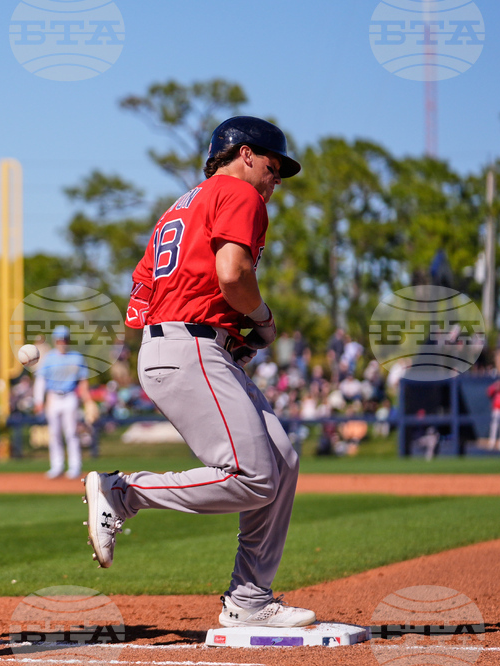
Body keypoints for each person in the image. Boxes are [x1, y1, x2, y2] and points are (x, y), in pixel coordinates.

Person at [85, 116, 315, 629]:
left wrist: (223, 334)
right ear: (246, 154)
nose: (275, 181)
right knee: (254, 476)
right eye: (274, 168)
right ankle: (125, 492)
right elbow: (233, 275)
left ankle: (250, 599)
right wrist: (261, 321)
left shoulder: (182, 205)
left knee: (282, 458)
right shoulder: (238, 192)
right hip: (189, 348)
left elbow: (144, 287)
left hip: (181, 342)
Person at [33, 326, 94, 479]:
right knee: (54, 434)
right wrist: (39, 400)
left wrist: (88, 401)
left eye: (64, 338)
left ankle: (75, 467)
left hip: (70, 396)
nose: (62, 342)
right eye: (59, 339)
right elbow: (41, 380)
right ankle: (57, 466)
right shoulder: (49, 358)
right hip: (53, 397)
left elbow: (83, 381)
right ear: (55, 340)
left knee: (71, 432)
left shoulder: (77, 357)